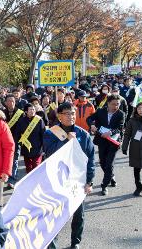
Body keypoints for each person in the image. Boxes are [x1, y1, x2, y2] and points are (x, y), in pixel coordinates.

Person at [43, 102, 95, 249]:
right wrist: (67, 140)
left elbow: (90, 158)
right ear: (59, 116)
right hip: (57, 181)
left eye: (73, 113)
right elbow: (50, 153)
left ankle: (75, 242)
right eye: (67, 113)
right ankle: (52, 244)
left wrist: (89, 181)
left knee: (79, 215)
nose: (71, 116)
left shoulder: (83, 134)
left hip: (77, 181)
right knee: (55, 215)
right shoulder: (50, 133)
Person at [87, 94, 125, 196]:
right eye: (113, 104)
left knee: (109, 164)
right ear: (108, 103)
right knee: (103, 162)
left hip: (114, 141)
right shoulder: (100, 111)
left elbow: (120, 128)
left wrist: (110, 132)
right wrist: (92, 125)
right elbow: (89, 119)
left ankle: (104, 185)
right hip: (102, 140)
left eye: (117, 104)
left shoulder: (121, 114)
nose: (115, 106)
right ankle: (111, 176)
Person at [15, 103, 45, 173]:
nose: (32, 111)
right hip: (26, 147)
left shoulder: (39, 120)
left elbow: (43, 134)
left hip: (37, 148)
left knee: (36, 167)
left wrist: (44, 147)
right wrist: (18, 143)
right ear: (26, 111)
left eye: (34, 109)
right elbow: (17, 133)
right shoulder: (21, 121)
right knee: (28, 168)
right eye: (31, 109)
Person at [2, 94, 24, 188]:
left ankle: (12, 180)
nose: (11, 103)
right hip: (4, 141)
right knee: (5, 160)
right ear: (6, 103)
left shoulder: (20, 113)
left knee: (14, 160)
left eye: (13, 101)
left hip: (16, 140)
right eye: (9, 101)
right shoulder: (2, 113)